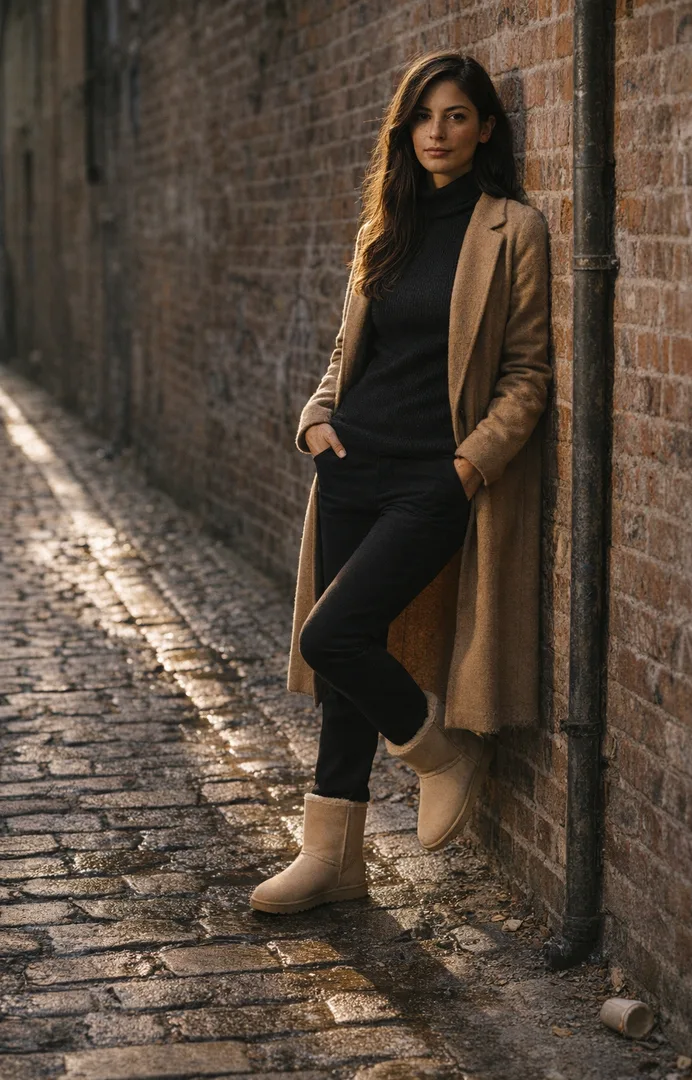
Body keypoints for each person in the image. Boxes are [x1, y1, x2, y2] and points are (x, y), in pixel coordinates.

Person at [250, 50, 551, 915]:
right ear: (405, 129)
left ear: (485, 128)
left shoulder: (512, 229)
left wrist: (468, 466)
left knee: (333, 633)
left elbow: (528, 374)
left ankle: (438, 754)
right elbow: (351, 351)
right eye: (424, 117)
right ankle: (333, 858)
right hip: (351, 463)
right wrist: (316, 418)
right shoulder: (387, 224)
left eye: (457, 116)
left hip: (436, 477)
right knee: (347, 664)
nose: (438, 133)